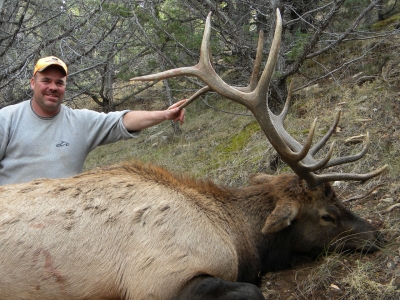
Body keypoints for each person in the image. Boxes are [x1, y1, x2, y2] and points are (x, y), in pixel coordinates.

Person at [0, 56, 186, 185]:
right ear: (33, 82)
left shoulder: (81, 122)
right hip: (13, 221)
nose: (53, 87)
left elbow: (124, 121)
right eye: (46, 80)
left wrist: (164, 115)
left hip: (61, 224)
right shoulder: (6, 119)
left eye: (59, 83)